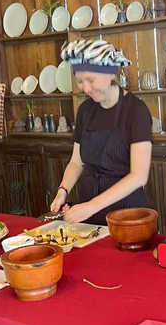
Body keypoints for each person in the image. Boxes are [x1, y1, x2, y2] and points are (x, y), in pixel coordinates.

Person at [49, 39, 153, 225]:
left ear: (110, 73)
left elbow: (139, 175)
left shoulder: (136, 110)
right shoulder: (85, 111)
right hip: (87, 208)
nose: (86, 88)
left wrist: (92, 206)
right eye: (80, 81)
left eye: (91, 80)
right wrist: (62, 191)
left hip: (126, 214)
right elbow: (76, 161)